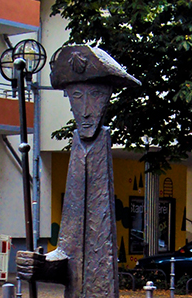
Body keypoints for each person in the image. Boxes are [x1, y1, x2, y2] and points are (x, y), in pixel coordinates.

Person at [17, 45, 140, 298]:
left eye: (95, 95)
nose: (85, 109)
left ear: (107, 97)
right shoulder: (78, 152)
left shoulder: (98, 147)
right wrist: (40, 266)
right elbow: (67, 255)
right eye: (76, 95)